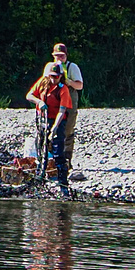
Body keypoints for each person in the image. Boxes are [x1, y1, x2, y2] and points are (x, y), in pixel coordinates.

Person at [25, 61, 74, 192]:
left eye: (56, 77)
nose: (53, 79)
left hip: (57, 120)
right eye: (51, 76)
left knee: (58, 152)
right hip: (42, 119)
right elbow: (29, 95)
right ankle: (40, 177)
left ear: (60, 76)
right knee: (41, 149)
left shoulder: (63, 89)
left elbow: (62, 111)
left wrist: (54, 128)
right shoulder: (43, 82)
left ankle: (63, 184)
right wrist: (39, 101)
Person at [49, 42, 84, 174]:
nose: (59, 58)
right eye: (57, 56)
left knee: (68, 129)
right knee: (51, 128)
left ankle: (67, 159)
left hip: (70, 98)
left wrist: (67, 81)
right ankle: (52, 160)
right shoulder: (49, 67)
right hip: (54, 99)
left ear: (66, 56)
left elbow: (80, 86)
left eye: (62, 56)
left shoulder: (72, 67)